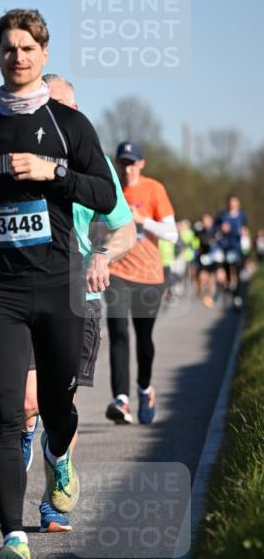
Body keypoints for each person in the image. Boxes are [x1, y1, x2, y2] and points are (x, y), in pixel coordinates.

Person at [0, 9, 117, 559]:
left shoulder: (70, 124)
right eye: (7, 48)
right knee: (9, 413)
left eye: (26, 48)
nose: (16, 56)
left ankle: (60, 455)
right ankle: (13, 537)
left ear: (43, 54)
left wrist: (52, 172)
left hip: (60, 285)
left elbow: (103, 193)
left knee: (60, 406)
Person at [18, 75, 135, 530]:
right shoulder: (19, 161)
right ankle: (25, 434)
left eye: (64, 108)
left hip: (77, 297)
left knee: (59, 406)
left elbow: (125, 228)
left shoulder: (95, 163)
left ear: (77, 112)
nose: (56, 119)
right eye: (48, 109)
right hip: (26, 291)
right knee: (28, 401)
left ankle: (53, 488)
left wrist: (103, 255)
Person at [105, 141, 177, 425]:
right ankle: (121, 400)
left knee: (144, 341)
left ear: (142, 164)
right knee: (118, 333)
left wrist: (142, 220)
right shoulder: (110, 190)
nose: (128, 169)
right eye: (123, 163)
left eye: (133, 163)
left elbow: (171, 233)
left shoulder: (154, 189)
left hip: (149, 277)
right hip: (117, 273)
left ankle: (145, 389)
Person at [214, 194, 248, 309]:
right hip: (225, 248)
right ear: (228, 204)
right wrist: (221, 229)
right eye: (231, 202)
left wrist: (244, 231)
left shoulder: (242, 216)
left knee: (237, 272)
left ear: (238, 203)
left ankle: (237, 298)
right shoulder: (222, 216)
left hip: (236, 247)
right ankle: (229, 291)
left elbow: (245, 228)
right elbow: (214, 229)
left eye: (235, 202)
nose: (233, 204)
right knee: (227, 273)